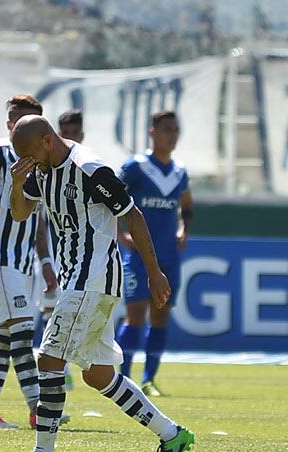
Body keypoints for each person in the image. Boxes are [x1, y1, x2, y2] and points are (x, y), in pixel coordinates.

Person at [8, 115, 194, 452]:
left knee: (49, 360)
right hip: (76, 281)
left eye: (30, 154)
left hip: (92, 278)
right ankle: (172, 434)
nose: (27, 162)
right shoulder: (40, 169)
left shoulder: (90, 170)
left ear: (47, 141)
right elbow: (20, 213)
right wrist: (16, 185)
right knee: (97, 374)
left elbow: (132, 215)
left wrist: (154, 271)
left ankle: (43, 449)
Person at [0, 94, 66, 430]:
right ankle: (38, 408)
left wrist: (46, 260)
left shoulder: (39, 161)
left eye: (25, 121)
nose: (16, 126)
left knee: (5, 334)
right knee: (22, 331)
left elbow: (36, 217)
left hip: (22, 264)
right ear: (8, 123)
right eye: (14, 119)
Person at [116, 111, 193, 397]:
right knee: (134, 315)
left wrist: (184, 229)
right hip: (139, 256)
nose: (172, 135)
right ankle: (121, 379)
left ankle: (149, 380)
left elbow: (187, 205)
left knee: (160, 317)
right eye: (166, 129)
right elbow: (108, 198)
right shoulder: (136, 167)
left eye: (175, 130)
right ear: (152, 132)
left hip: (169, 256)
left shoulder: (180, 171)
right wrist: (119, 234)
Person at [34, 108, 87, 391]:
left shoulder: (89, 167)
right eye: (64, 133)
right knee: (52, 314)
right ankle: (56, 371)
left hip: (85, 261)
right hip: (56, 258)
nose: (70, 138)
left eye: (74, 133)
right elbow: (38, 225)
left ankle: (61, 366)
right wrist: (45, 262)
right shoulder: (45, 170)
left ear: (82, 135)